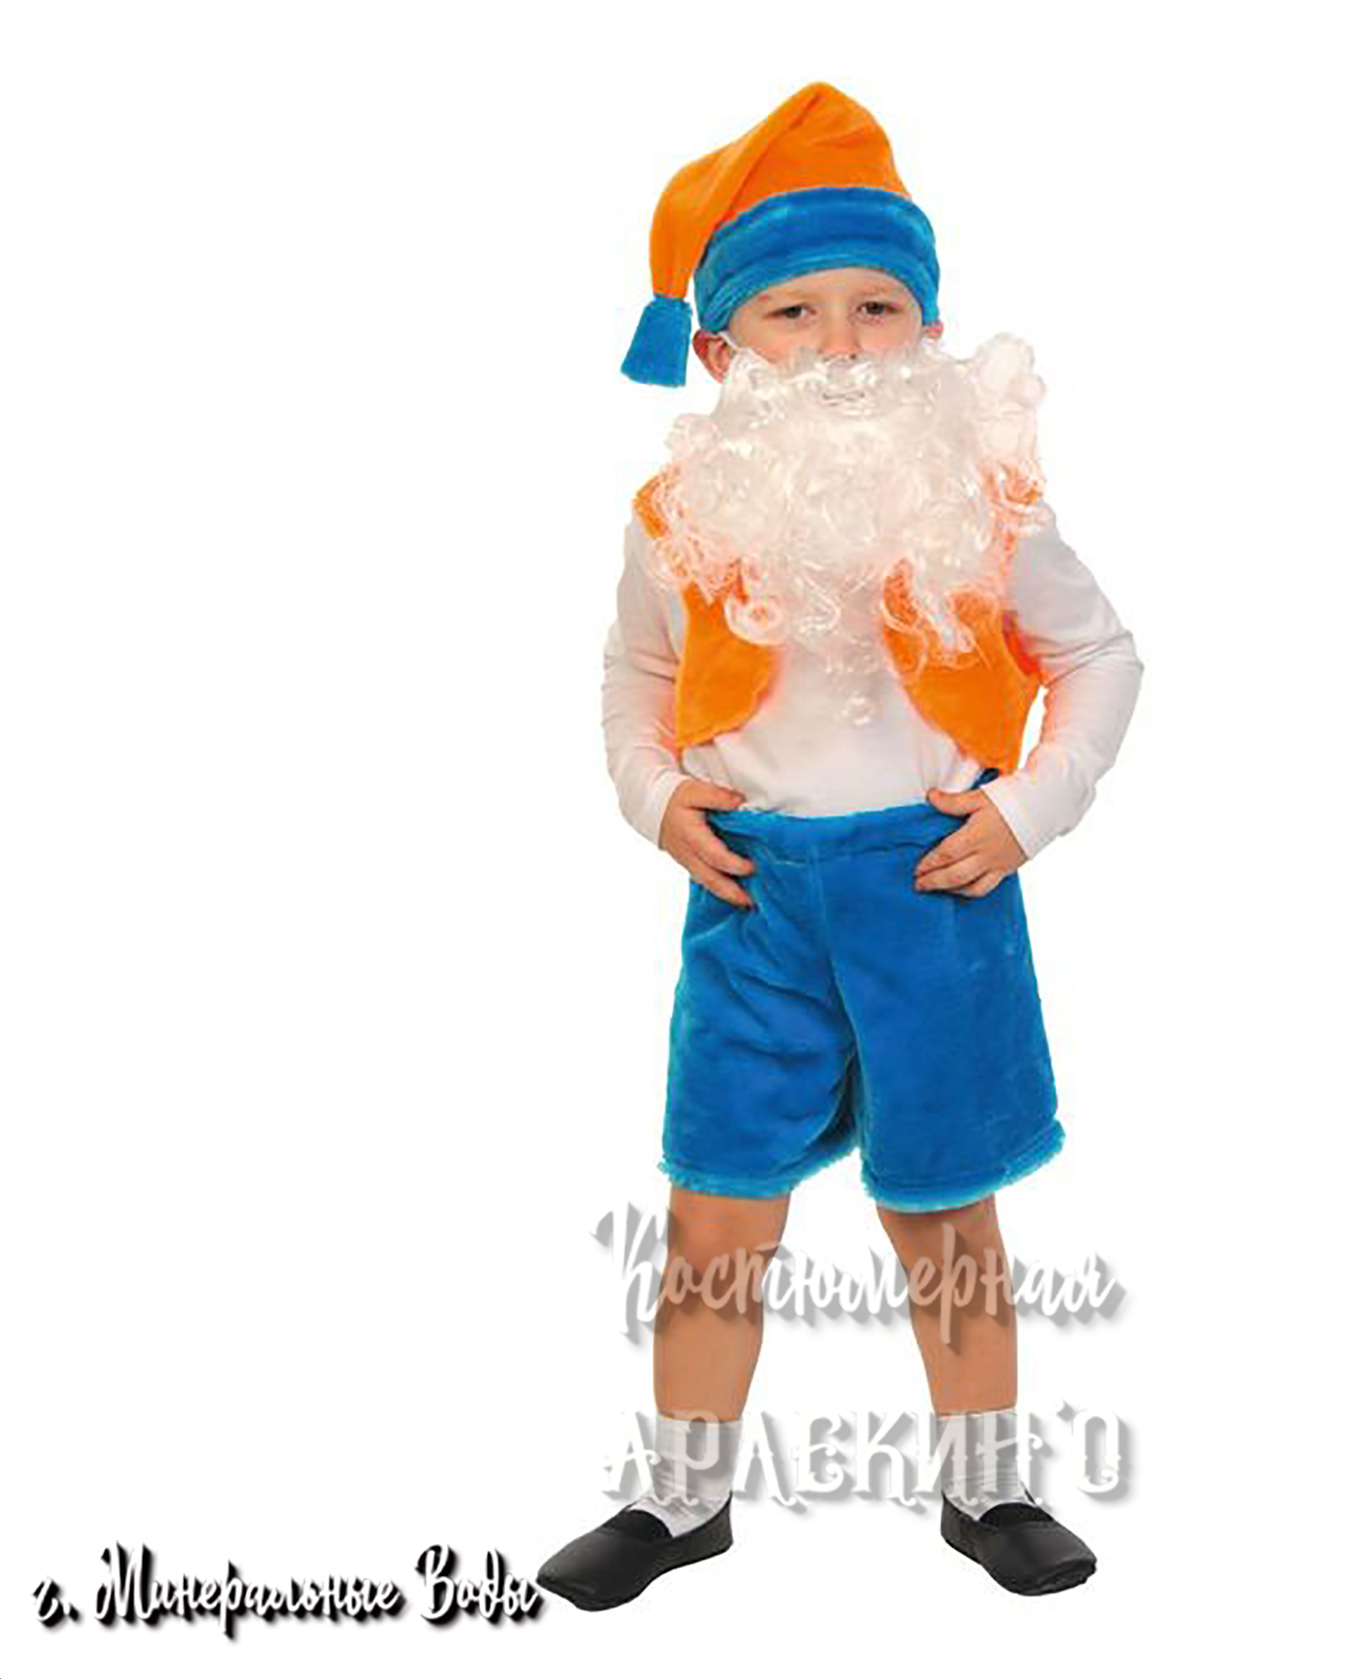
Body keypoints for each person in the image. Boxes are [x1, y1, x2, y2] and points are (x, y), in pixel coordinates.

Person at [537, 82, 1144, 1609]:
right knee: (714, 1205)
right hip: (754, 899)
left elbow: (1101, 658)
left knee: (947, 1207)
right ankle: (682, 1501)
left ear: (929, 331)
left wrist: (1025, 810)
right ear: (723, 354)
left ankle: (987, 1487)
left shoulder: (985, 505)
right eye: (794, 313)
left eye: (879, 307)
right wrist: (653, 797)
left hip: (935, 890)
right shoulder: (678, 518)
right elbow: (633, 678)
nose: (843, 345)